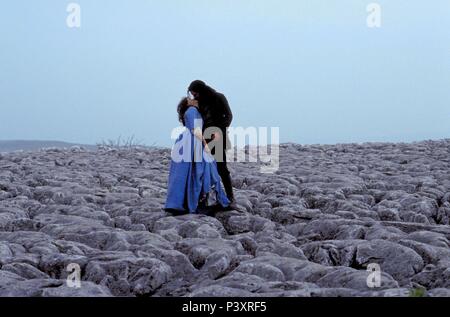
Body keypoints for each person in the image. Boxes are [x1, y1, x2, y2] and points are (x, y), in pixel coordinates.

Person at [165, 97, 230, 215]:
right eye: (190, 99)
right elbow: (195, 130)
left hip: (189, 141)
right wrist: (205, 144)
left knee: (191, 171)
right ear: (187, 103)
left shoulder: (193, 111)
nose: (194, 99)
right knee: (203, 168)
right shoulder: (191, 110)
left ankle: (192, 200)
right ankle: (204, 201)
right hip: (192, 141)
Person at [187, 80, 235, 205]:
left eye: (195, 94)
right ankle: (205, 197)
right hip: (202, 139)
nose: (194, 96)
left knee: (221, 168)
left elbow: (229, 116)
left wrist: (219, 130)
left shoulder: (219, 97)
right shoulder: (197, 103)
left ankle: (230, 197)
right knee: (203, 168)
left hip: (218, 137)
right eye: (193, 94)